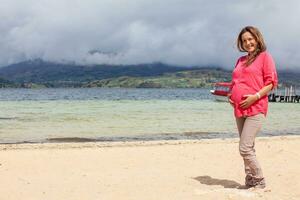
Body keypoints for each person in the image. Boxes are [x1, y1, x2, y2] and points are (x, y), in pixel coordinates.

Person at [228, 26, 278, 189]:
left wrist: (254, 97)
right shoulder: (240, 60)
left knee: (244, 147)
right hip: (239, 108)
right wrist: (231, 94)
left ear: (257, 39)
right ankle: (250, 180)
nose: (248, 42)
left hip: (256, 107)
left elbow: (270, 83)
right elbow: (236, 81)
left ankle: (259, 179)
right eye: (244, 40)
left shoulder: (265, 57)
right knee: (249, 146)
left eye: (250, 39)